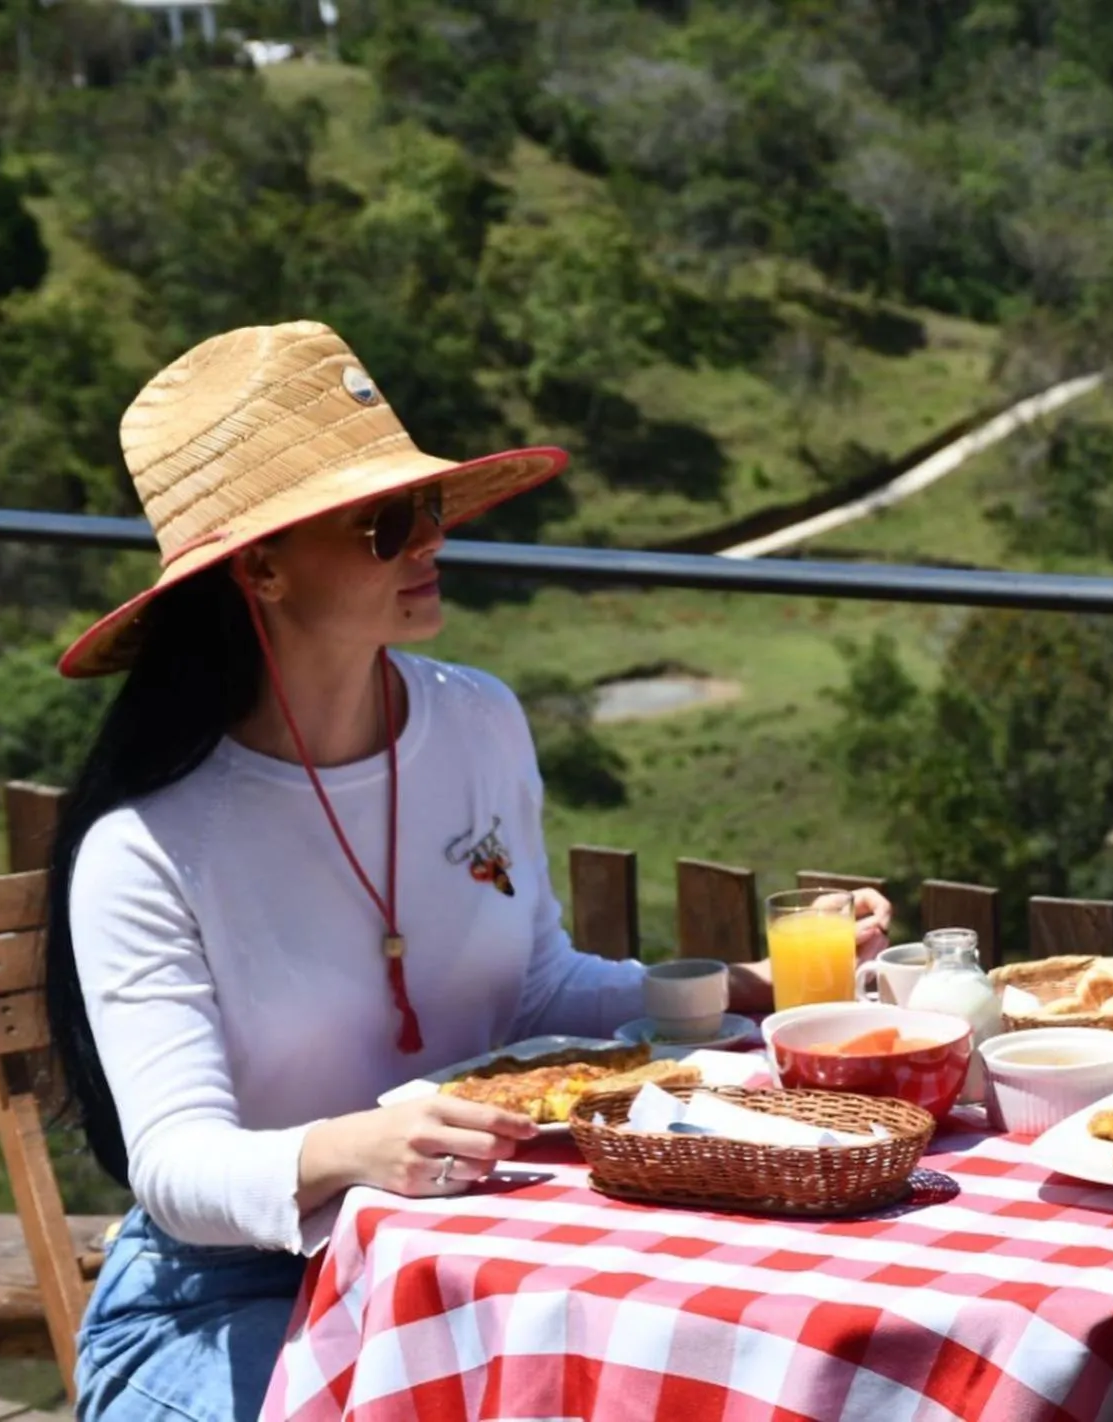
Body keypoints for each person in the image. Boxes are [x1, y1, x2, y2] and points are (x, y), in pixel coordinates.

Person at [43, 321, 893, 1422]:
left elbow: (534, 990)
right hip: (237, 1292)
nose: (427, 545)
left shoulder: (477, 723)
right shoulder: (148, 845)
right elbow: (175, 1170)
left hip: (479, 1255)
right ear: (260, 568)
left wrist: (724, 991)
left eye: (428, 511)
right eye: (385, 523)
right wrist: (358, 1149)